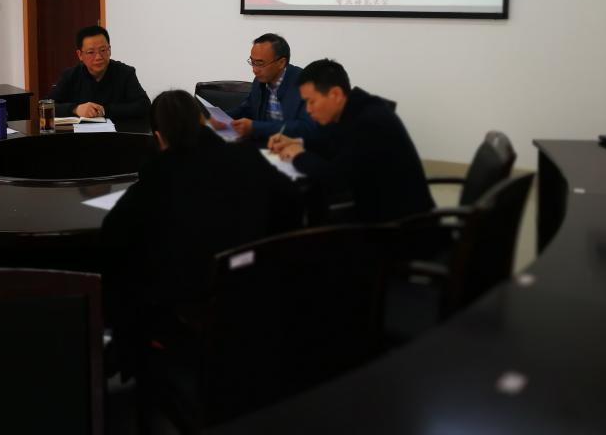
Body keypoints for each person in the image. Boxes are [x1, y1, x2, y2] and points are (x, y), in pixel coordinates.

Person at [100, 90, 302, 424]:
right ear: (203, 122)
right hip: (254, 294)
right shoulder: (245, 157)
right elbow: (291, 200)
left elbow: (112, 240)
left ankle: (127, 358)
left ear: (159, 137)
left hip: (190, 307)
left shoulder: (157, 176)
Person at [269, 58, 433, 225]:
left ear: (335, 94)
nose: (308, 110)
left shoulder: (369, 122)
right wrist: (296, 143)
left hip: (399, 226)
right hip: (376, 208)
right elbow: (331, 143)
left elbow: (336, 178)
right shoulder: (355, 109)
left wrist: (299, 156)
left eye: (311, 102)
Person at [222, 33, 316, 141]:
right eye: (252, 62)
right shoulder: (259, 81)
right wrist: (219, 119)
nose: (254, 70)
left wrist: (255, 127)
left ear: (281, 63)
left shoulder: (304, 84)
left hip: (292, 146)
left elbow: (305, 127)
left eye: (260, 63)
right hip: (262, 145)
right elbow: (247, 109)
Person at [48, 25, 150, 121]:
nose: (98, 57)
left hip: (118, 132)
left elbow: (144, 105)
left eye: (103, 50)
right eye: (91, 52)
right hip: (80, 133)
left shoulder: (125, 73)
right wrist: (75, 109)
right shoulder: (70, 75)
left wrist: (104, 110)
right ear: (80, 55)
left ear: (109, 50)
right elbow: (46, 105)